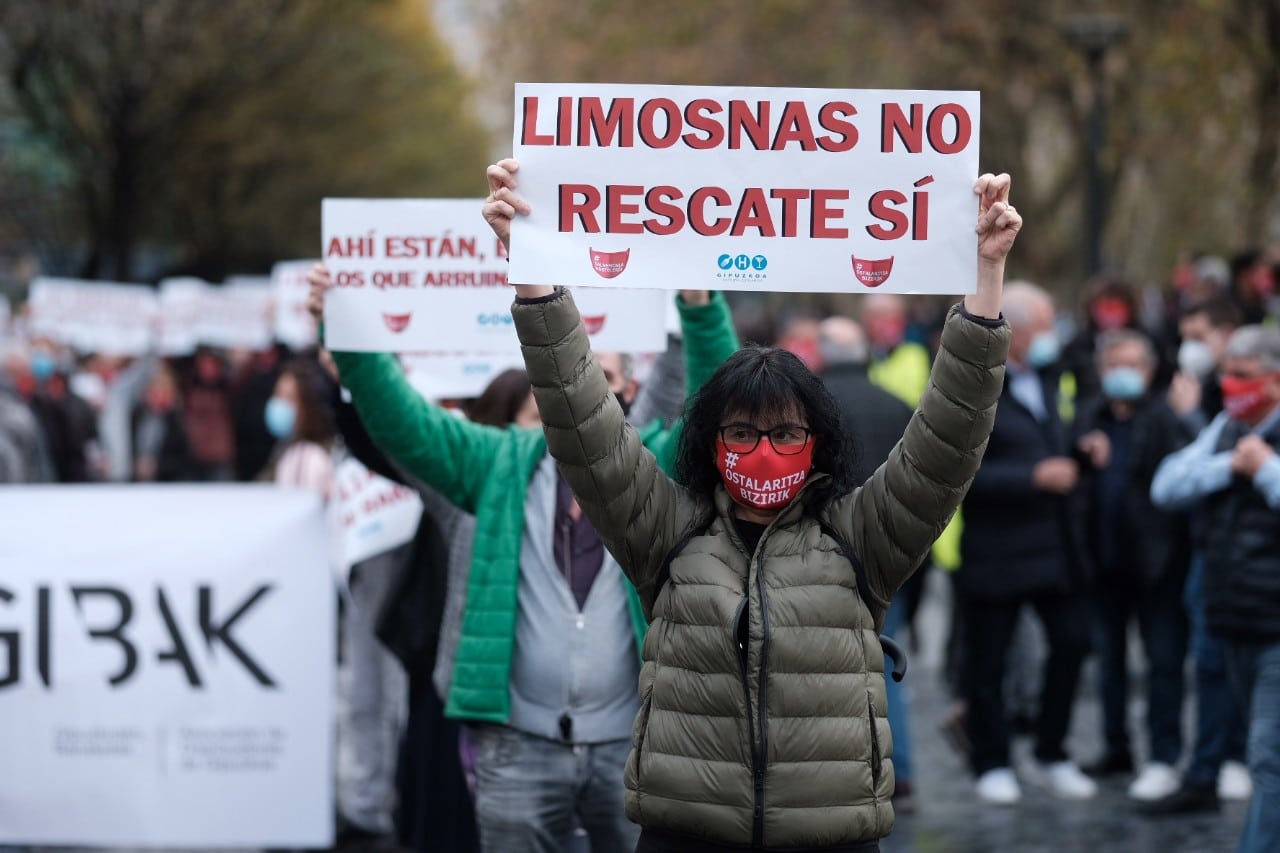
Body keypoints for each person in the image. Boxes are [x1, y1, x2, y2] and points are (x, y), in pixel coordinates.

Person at [485, 158, 1020, 850]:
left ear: (816, 440)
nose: (764, 448)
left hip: (831, 834)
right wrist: (531, 271)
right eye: (741, 432)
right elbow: (584, 424)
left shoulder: (861, 537)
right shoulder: (667, 530)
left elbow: (947, 441)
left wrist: (986, 277)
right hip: (688, 835)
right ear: (710, 442)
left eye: (786, 432)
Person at [308, 260, 739, 853]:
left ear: (628, 392)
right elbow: (403, 421)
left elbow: (718, 406)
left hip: (637, 743)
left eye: (602, 375)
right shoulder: (497, 461)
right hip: (518, 745)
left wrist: (698, 299)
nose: (586, 389)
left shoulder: (656, 464)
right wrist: (348, 334)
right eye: (572, 373)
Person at [956, 281, 1096, 805]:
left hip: (1056, 547)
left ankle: (1051, 750)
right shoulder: (977, 386)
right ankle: (991, 761)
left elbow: (1053, 441)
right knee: (988, 663)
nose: (1051, 336)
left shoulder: (1053, 377)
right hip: (998, 548)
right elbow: (958, 472)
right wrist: (1032, 476)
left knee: (1074, 643)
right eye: (1043, 326)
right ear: (1015, 332)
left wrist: (1080, 455)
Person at [1150, 325, 1280, 853]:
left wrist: (1267, 469)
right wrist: (1231, 465)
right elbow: (1168, 485)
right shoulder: (1227, 427)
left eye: (1243, 376)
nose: (1229, 385)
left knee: (1269, 757)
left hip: (1275, 623)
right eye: (1226, 374)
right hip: (1231, 617)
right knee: (1261, 753)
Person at [1071, 330, 1192, 800]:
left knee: (1163, 662)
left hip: (1159, 565)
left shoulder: (1165, 418)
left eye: (1132, 364)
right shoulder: (1088, 417)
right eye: (1113, 364)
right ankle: (1116, 746)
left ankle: (1164, 755)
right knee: (1110, 664)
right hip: (1104, 563)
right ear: (1102, 371)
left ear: (1147, 370)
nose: (1122, 373)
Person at [817, 316, 918, 811]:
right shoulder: (896, 405)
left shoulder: (811, 407)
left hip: (824, 556)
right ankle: (900, 773)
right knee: (886, 663)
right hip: (887, 554)